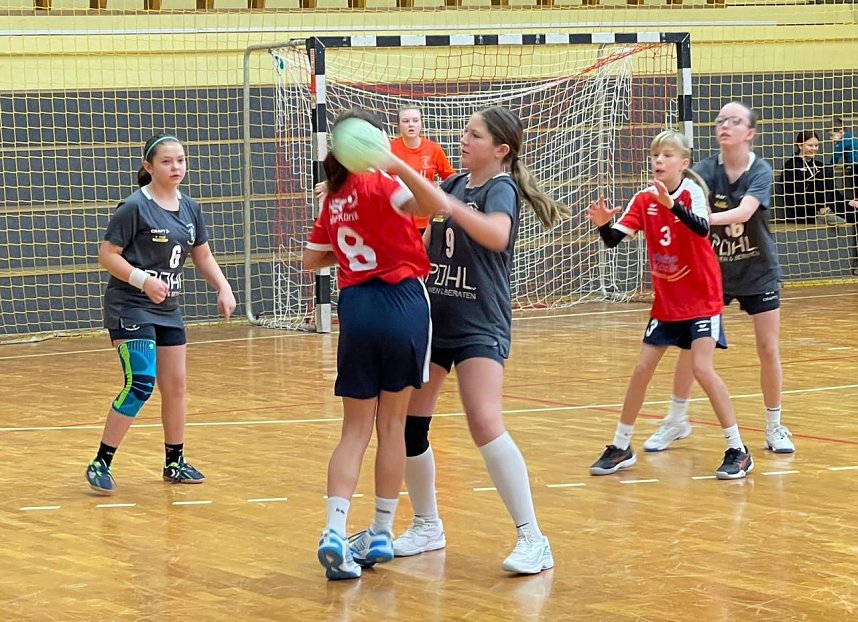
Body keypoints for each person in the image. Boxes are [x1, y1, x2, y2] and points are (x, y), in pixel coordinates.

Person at [388, 106, 569, 575]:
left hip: (479, 322)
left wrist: (450, 207)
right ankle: (427, 525)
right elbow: (409, 205)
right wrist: (369, 178)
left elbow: (496, 234)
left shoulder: (499, 188)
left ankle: (534, 537)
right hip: (435, 317)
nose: (464, 140)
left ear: (500, 149)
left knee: (484, 420)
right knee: (412, 424)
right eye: (465, 132)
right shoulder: (450, 187)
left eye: (474, 135)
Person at [305, 109, 448, 581]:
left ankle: (333, 529)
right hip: (402, 302)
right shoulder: (384, 185)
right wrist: (400, 165)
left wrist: (355, 246)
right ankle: (383, 530)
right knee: (392, 424)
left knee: (353, 431)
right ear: (370, 146)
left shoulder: (334, 198)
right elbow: (438, 205)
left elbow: (310, 261)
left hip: (357, 306)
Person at [587, 129, 753, 480]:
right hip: (667, 302)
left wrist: (672, 206)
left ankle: (738, 448)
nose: (658, 161)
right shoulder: (644, 198)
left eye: (666, 155)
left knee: (702, 369)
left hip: (702, 297)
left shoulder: (691, 192)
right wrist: (604, 226)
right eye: (655, 155)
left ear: (683, 163)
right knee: (642, 368)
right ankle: (621, 445)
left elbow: (702, 230)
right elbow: (615, 240)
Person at [85, 133, 237, 495]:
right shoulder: (134, 207)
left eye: (181, 160)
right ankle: (100, 462)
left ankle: (175, 462)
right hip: (131, 305)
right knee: (141, 383)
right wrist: (142, 280)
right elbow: (107, 255)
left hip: (167, 310)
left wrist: (224, 287)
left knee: (176, 386)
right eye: (167, 161)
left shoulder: (190, 209)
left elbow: (202, 255)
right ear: (149, 167)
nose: (176, 167)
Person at [645, 102, 796, 454]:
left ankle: (774, 426)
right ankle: (677, 419)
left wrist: (695, 217)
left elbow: (744, 211)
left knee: (767, 347)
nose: (725, 125)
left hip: (757, 268)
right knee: (691, 348)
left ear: (750, 133)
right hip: (709, 273)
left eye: (734, 121)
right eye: (720, 121)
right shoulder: (699, 172)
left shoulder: (760, 171)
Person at [389, 106, 456, 232]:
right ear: (398, 125)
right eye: (405, 121)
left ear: (421, 123)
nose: (411, 125)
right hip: (399, 218)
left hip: (428, 219)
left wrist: (440, 197)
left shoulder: (434, 149)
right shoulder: (390, 150)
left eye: (415, 120)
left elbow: (450, 177)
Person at [777, 130, 849, 225]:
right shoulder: (790, 166)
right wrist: (809, 183)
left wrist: (849, 202)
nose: (814, 148)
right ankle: (822, 212)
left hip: (827, 207)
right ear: (800, 145)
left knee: (853, 211)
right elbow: (791, 194)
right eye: (810, 145)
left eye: (816, 145)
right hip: (803, 209)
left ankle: (825, 212)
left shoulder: (819, 166)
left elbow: (833, 192)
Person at [830, 117, 857, 195]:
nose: (831, 138)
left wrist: (831, 167)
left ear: (841, 132)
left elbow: (836, 155)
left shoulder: (842, 141)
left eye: (833, 135)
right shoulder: (850, 137)